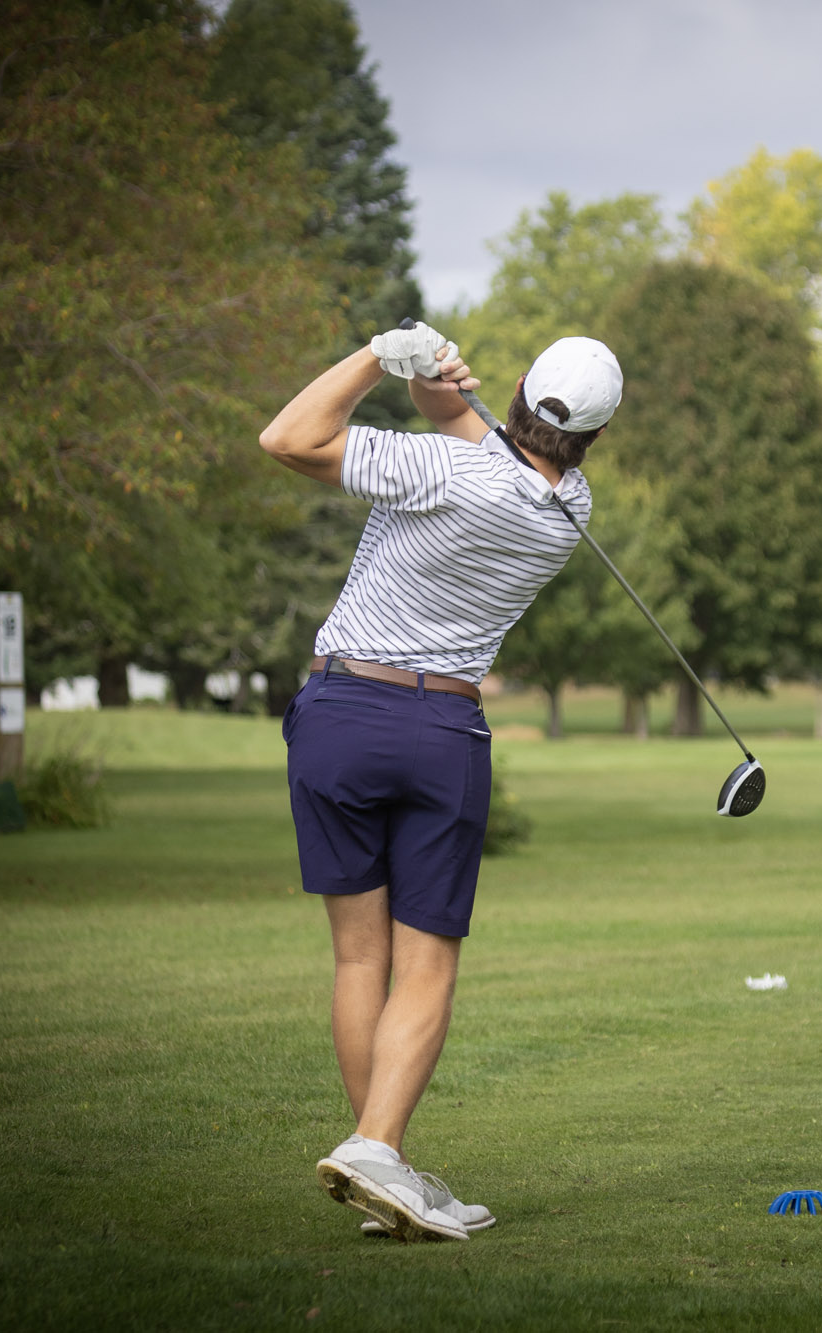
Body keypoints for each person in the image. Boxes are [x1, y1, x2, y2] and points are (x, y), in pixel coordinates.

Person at [257, 320, 621, 1242]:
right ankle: (380, 1152)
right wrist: (435, 379)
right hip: (439, 729)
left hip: (338, 712)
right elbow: (479, 437)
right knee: (423, 962)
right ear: (592, 436)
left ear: (522, 390)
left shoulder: (439, 471)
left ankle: (379, 1155)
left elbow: (289, 437)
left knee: (358, 957)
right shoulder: (568, 507)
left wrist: (379, 357)